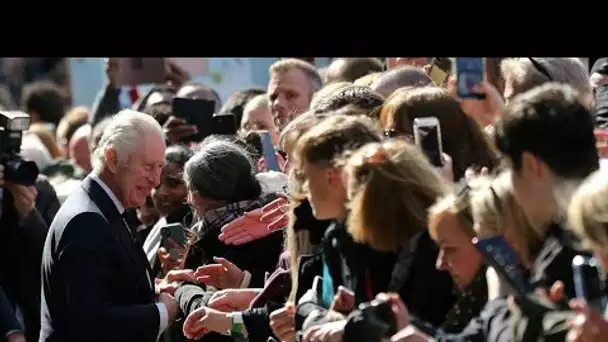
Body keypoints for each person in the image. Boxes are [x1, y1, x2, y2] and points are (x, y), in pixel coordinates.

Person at [39, 109, 179, 342]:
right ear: (113, 159)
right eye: (148, 166)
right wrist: (163, 312)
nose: (156, 180)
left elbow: (110, 287)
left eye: (159, 167)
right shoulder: (85, 220)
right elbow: (92, 321)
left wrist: (155, 289)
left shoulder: (107, 208)